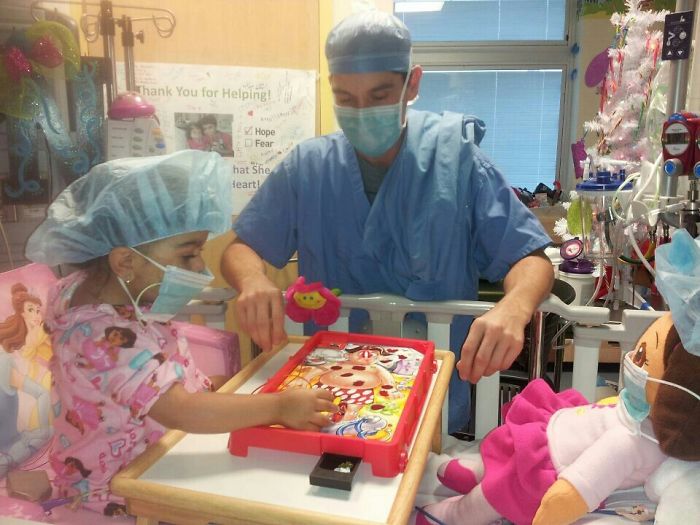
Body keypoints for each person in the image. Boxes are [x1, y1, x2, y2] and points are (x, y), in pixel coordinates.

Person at [220, 10, 553, 435]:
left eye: (378, 96)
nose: (362, 112)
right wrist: (253, 281)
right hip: (329, 387)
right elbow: (240, 248)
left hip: (429, 392)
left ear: (411, 83)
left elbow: (530, 257)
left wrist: (515, 307)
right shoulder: (309, 167)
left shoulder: (456, 161)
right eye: (346, 98)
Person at [24, 150, 336, 515]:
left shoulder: (110, 295)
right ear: (125, 262)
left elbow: (149, 375)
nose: (201, 267)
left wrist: (214, 386)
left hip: (158, 458)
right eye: (189, 255)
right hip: (116, 497)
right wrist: (278, 407)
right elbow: (181, 411)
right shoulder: (101, 336)